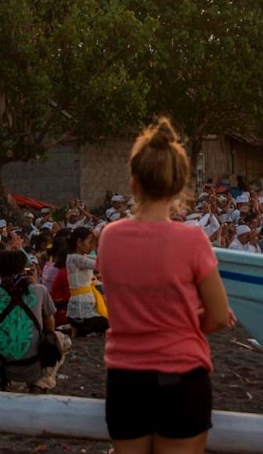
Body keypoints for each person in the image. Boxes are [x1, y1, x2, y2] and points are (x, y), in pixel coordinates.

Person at [97, 117, 234, 454]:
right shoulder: (192, 239)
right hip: (182, 377)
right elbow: (218, 316)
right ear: (178, 184)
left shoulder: (109, 237)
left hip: (125, 379)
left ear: (133, 183)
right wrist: (184, 322)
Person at [0, 248, 69, 392]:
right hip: (33, 366)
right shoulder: (39, 290)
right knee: (63, 339)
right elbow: (50, 327)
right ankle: (41, 382)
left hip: (1, 367)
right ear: (25, 270)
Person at [66, 226, 108, 337]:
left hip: (85, 304)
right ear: (79, 242)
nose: (91, 246)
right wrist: (98, 245)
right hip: (81, 309)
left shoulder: (80, 257)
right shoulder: (75, 258)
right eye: (90, 242)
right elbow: (101, 265)